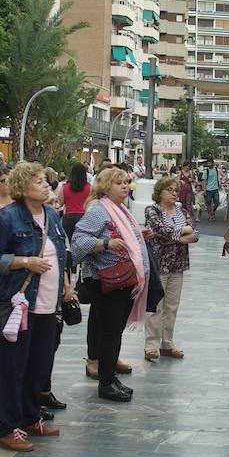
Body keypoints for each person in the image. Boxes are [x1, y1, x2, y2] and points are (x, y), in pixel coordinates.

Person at [0, 163, 70, 452]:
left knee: (39, 365)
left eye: (46, 180)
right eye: (38, 181)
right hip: (19, 306)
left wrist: (66, 285)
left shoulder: (52, 216)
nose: (46, 185)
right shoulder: (6, 218)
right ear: (22, 187)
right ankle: (8, 428)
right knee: (13, 369)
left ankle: (31, 417)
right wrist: (24, 262)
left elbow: (60, 252)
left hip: (48, 305)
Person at [72, 167, 147, 402]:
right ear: (105, 186)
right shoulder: (99, 210)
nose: (125, 186)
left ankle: (110, 375)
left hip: (123, 280)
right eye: (118, 183)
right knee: (110, 332)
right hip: (105, 280)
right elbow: (78, 241)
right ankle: (105, 383)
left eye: (126, 182)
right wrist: (106, 244)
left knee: (115, 331)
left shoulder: (120, 209)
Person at [143, 175, 195, 362]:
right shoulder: (152, 210)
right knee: (156, 305)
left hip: (178, 264)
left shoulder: (183, 211)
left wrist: (172, 237)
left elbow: (194, 234)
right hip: (159, 264)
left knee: (172, 306)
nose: (174, 194)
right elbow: (160, 230)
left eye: (176, 190)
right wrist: (182, 234)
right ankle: (151, 345)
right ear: (160, 193)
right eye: (170, 190)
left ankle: (167, 342)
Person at [56, 163, 91, 274]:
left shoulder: (65, 187)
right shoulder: (89, 188)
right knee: (82, 245)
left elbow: (60, 203)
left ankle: (71, 267)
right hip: (83, 218)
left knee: (69, 245)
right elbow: (91, 204)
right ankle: (80, 267)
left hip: (68, 218)